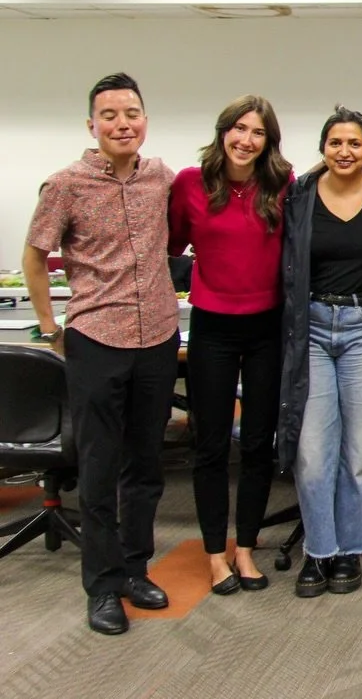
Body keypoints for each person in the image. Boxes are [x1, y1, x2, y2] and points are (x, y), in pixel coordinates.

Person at [21, 72, 180, 635]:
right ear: (92, 124)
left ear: (145, 119)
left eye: (131, 113)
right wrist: (49, 324)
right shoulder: (65, 184)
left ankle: (136, 568)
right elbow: (36, 255)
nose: (122, 123)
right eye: (109, 115)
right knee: (98, 466)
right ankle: (103, 586)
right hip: (97, 339)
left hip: (158, 335)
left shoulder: (160, 176)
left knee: (145, 465)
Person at [168, 95, 292, 595]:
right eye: (239, 129)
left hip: (267, 327)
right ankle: (215, 554)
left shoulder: (282, 185)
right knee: (212, 445)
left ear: (269, 141)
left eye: (257, 132)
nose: (246, 140)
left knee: (260, 445)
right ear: (223, 132)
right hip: (212, 328)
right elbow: (170, 247)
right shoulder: (189, 184)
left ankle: (246, 548)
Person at [276, 107, 362, 597]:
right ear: (323, 148)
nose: (344, 152)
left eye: (354, 144)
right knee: (313, 453)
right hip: (313, 329)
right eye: (335, 143)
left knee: (360, 452)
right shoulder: (301, 195)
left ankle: (352, 548)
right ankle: (318, 551)